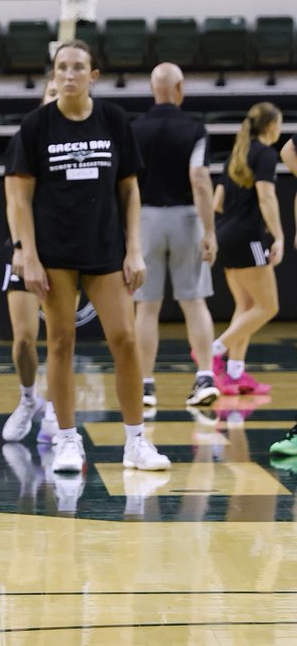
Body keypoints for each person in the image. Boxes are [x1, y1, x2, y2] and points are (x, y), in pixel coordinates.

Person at [7, 40, 170, 475]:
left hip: (106, 251)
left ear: (93, 75)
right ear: (54, 74)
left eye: (78, 67)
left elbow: (130, 189)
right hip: (55, 253)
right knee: (60, 343)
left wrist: (134, 248)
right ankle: (65, 440)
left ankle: (136, 441)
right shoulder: (36, 125)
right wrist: (30, 254)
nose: (69, 74)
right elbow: (20, 199)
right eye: (62, 67)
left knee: (126, 341)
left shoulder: (114, 120)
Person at [130, 62, 221, 411]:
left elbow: (128, 184)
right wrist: (209, 231)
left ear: (153, 90)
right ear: (179, 88)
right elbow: (199, 179)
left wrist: (129, 234)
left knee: (147, 306)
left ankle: (145, 386)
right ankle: (204, 377)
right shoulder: (194, 129)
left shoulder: (135, 129)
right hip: (185, 218)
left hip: (146, 218)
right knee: (194, 301)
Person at [209, 102, 285, 396]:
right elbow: (266, 198)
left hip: (225, 235)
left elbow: (217, 202)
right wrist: (278, 236)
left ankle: (235, 374)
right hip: (248, 238)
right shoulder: (264, 153)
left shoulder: (237, 155)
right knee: (268, 307)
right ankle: (214, 351)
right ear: (271, 127)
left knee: (246, 307)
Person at [1, 80, 58, 442]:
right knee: (23, 339)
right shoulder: (24, 138)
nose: (55, 97)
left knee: (59, 336)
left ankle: (55, 405)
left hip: (66, 250)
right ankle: (28, 398)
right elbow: (13, 198)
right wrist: (22, 246)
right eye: (49, 92)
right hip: (27, 246)